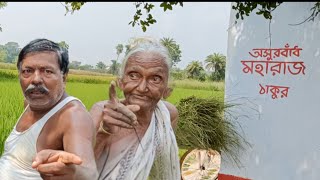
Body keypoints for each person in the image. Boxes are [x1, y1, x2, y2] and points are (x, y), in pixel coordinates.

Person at [0, 38, 98, 180]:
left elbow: (88, 171)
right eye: (27, 71)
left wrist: (76, 173)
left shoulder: (73, 115)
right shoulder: (29, 104)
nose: (36, 79)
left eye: (47, 71)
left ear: (64, 77)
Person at [90, 37, 181, 180]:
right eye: (133, 75)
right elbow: (78, 172)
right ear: (121, 82)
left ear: (166, 90)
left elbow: (161, 163)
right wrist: (104, 131)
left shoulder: (168, 115)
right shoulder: (102, 112)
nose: (142, 87)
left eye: (155, 79)